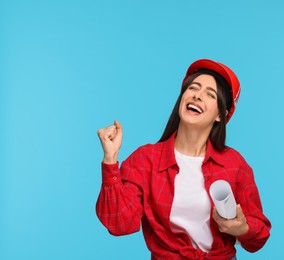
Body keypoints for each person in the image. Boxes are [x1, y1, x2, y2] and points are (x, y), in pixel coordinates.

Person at [96, 59, 271, 259]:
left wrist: (242, 228)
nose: (197, 95)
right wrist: (110, 160)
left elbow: (259, 237)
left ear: (221, 115)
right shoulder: (146, 159)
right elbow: (119, 223)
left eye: (210, 94)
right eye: (193, 88)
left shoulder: (234, 163)